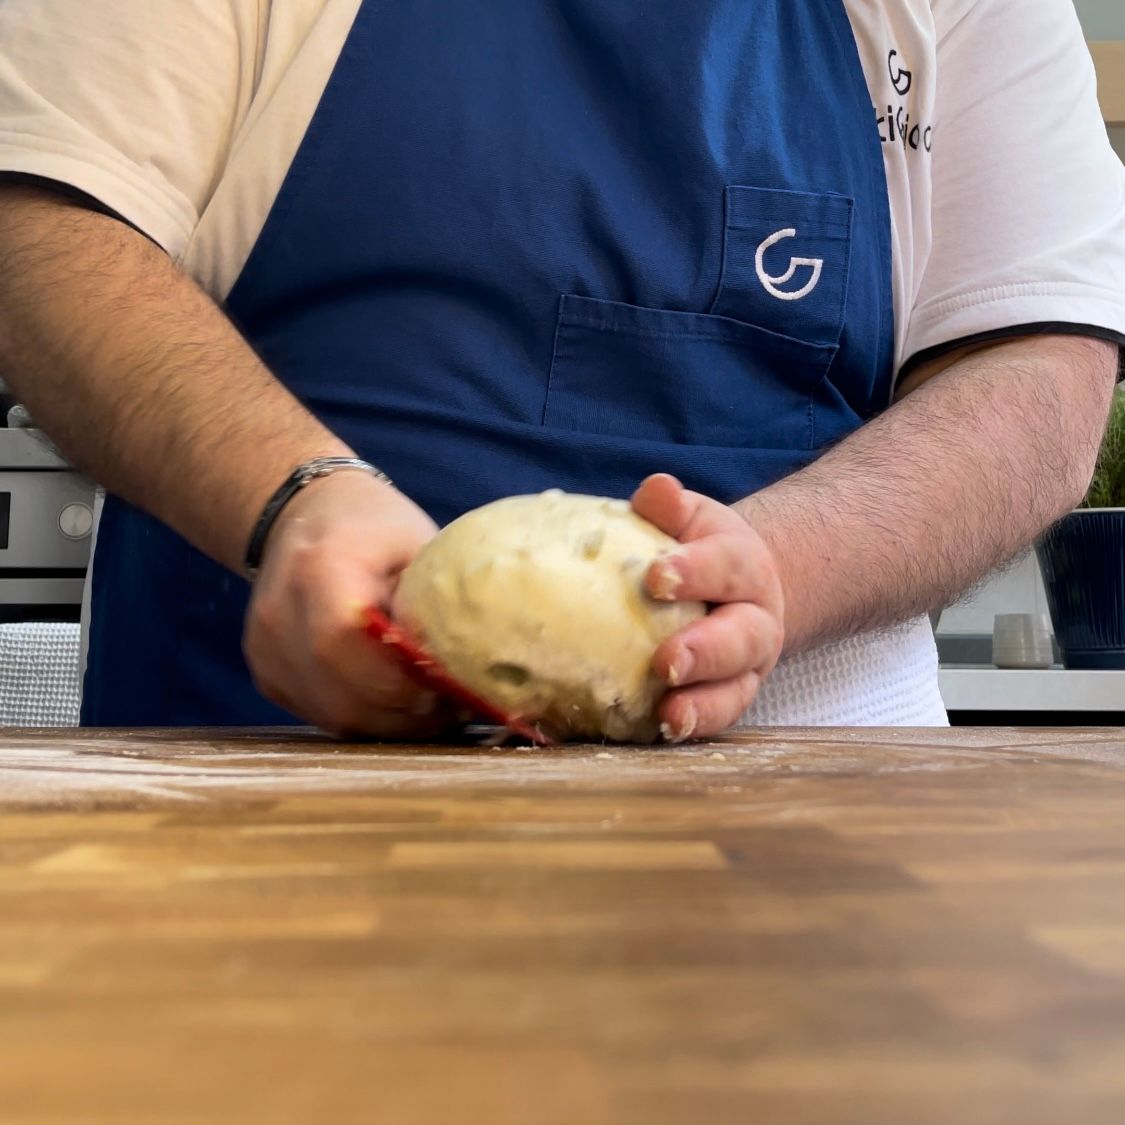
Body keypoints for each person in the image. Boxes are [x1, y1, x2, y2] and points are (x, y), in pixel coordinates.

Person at [0, 0, 1122, 738]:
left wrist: (773, 571)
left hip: (820, 846)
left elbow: (1036, 366)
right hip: (256, 789)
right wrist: (295, 494)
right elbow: (41, 225)